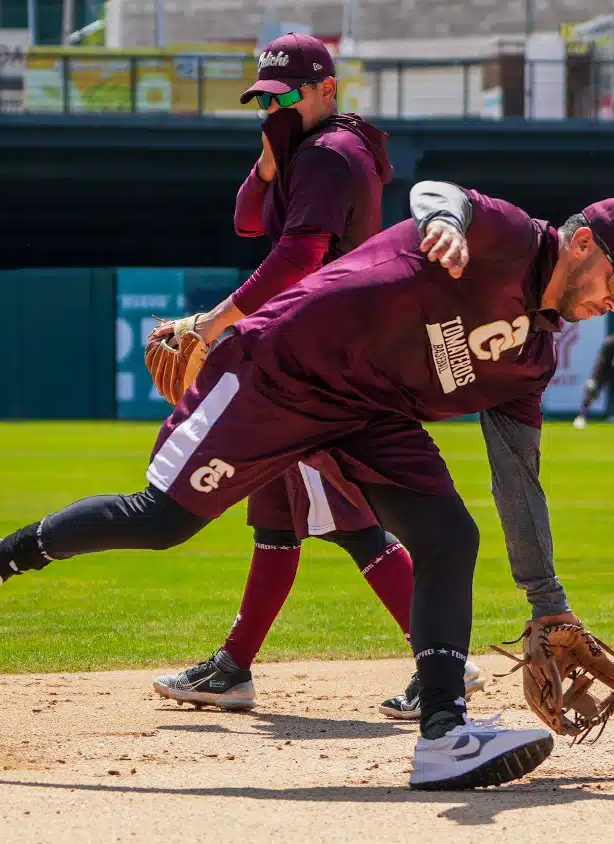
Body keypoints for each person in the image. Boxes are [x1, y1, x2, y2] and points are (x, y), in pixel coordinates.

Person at [0, 180, 614, 791]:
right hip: (282, 370)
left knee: (451, 535)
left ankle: (444, 731)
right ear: (582, 243)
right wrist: (445, 222)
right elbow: (443, 196)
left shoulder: (533, 360)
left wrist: (549, 602)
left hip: (371, 412)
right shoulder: (508, 235)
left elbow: (519, 483)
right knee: (162, 520)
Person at [147, 32, 485, 716]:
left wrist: (211, 325)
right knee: (277, 516)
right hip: (312, 350)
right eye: (264, 97)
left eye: (287, 94)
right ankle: (236, 665)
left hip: (322, 359)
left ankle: (443, 662)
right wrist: (269, 162)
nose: (274, 105)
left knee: (353, 524)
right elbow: (249, 219)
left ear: (327, 90)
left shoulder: (331, 153)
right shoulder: (307, 151)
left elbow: (299, 257)